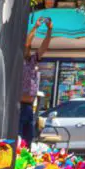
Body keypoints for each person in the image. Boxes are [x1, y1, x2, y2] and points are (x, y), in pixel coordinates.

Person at [20, 17, 52, 146]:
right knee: (19, 138)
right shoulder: (20, 62)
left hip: (29, 107)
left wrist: (50, 30)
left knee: (28, 140)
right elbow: (27, 42)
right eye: (26, 49)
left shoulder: (33, 62)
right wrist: (35, 27)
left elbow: (44, 46)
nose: (28, 50)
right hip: (19, 106)